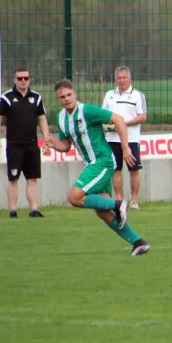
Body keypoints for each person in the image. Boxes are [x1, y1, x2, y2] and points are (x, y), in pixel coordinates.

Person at [45, 79, 150, 256]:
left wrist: (125, 147)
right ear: (58, 99)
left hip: (102, 161)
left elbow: (118, 119)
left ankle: (119, 204)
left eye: (69, 95)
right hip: (91, 164)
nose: (67, 99)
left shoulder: (87, 110)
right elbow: (66, 145)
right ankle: (139, 242)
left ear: (75, 94)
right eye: (62, 97)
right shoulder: (61, 117)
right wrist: (53, 144)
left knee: (74, 197)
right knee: (102, 211)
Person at [0, 68, 50, 218]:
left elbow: (42, 118)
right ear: (15, 80)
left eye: (26, 78)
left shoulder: (36, 97)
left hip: (32, 144)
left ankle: (34, 209)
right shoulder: (7, 98)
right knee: (13, 178)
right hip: (14, 145)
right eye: (20, 78)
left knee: (32, 178)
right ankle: (13, 210)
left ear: (29, 79)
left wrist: (46, 137)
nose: (23, 81)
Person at [102, 66, 147, 210]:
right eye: (119, 78)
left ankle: (134, 200)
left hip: (131, 139)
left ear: (130, 78)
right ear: (115, 80)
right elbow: (103, 115)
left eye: (124, 78)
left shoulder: (138, 95)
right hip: (112, 139)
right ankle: (119, 201)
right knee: (116, 169)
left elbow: (142, 116)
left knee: (134, 169)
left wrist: (122, 124)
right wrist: (109, 125)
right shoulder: (109, 95)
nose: (122, 81)